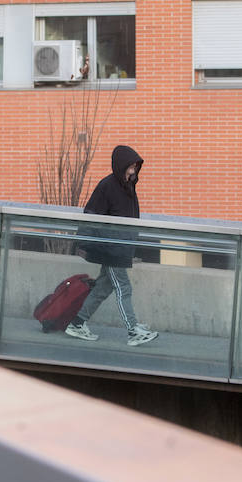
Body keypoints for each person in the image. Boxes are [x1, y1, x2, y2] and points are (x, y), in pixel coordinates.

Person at [65, 145, 159, 347]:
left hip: (121, 247)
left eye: (135, 168)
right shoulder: (107, 186)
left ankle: (77, 323)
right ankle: (133, 330)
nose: (133, 171)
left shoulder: (128, 187)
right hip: (111, 249)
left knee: (103, 287)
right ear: (120, 166)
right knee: (123, 287)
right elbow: (91, 216)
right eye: (130, 167)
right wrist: (89, 244)